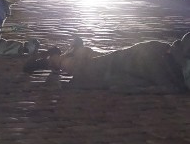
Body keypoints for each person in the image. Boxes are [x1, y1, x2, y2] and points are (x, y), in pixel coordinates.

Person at [24, 33, 190, 94]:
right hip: (158, 62)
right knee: (90, 69)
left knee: (103, 61)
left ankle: (77, 51)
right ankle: (54, 59)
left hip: (160, 60)